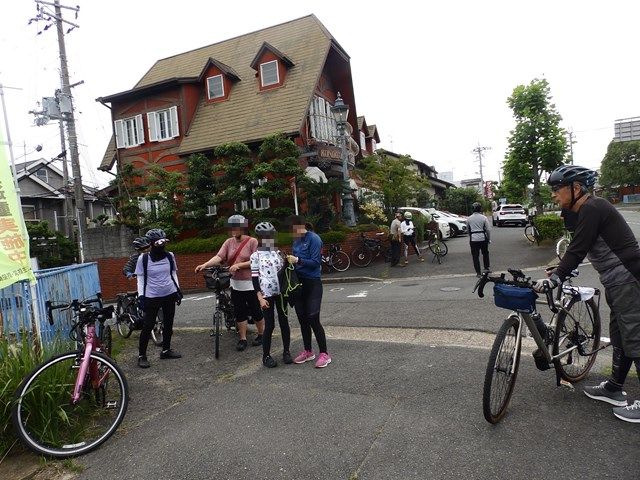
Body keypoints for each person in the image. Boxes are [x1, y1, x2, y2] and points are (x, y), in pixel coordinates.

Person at [533, 165, 640, 423]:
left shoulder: (593, 207)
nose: (553, 194)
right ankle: (614, 388)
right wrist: (559, 269)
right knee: (620, 336)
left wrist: (557, 277)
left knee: (635, 339)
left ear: (576, 188)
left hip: (628, 280)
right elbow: (581, 247)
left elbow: (578, 248)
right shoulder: (586, 210)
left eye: (557, 188)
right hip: (617, 282)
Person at [195, 214, 264, 351]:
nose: (233, 230)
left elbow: (257, 260)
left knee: (256, 310)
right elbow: (219, 257)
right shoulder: (228, 242)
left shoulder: (252, 242)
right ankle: (242, 338)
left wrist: (239, 265)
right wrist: (205, 264)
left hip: (251, 283)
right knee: (239, 312)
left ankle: (262, 334)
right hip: (236, 284)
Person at [287, 216, 331, 368]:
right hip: (299, 283)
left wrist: (297, 260)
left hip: (312, 282)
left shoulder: (314, 239)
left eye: (293, 228)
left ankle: (324, 353)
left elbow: (316, 262)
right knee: (302, 318)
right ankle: (308, 351)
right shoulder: (296, 241)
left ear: (301, 226)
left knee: (313, 317)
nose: (292, 232)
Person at [135, 228, 182, 368]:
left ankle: (166, 350)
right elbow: (140, 278)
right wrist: (141, 296)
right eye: (158, 243)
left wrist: (177, 290)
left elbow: (173, 273)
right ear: (151, 244)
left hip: (169, 293)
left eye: (163, 242)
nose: (161, 246)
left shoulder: (170, 256)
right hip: (152, 296)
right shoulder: (143, 259)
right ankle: (142, 355)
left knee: (168, 323)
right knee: (148, 325)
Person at [250, 222, 292, 368]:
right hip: (266, 295)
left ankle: (286, 351)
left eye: (271, 236)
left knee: (284, 322)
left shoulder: (278, 253)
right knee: (270, 325)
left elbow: (285, 273)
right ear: (260, 239)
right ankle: (266, 356)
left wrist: (288, 262)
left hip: (281, 293)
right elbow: (254, 279)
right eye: (266, 237)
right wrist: (260, 298)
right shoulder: (255, 256)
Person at [467, 202, 491, 277]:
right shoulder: (484, 218)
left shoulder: (469, 218)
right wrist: (489, 239)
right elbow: (488, 229)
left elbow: (468, 230)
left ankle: (478, 272)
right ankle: (486, 268)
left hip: (473, 239)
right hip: (482, 238)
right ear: (480, 209)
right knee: (485, 253)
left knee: (475, 256)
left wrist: (470, 236)